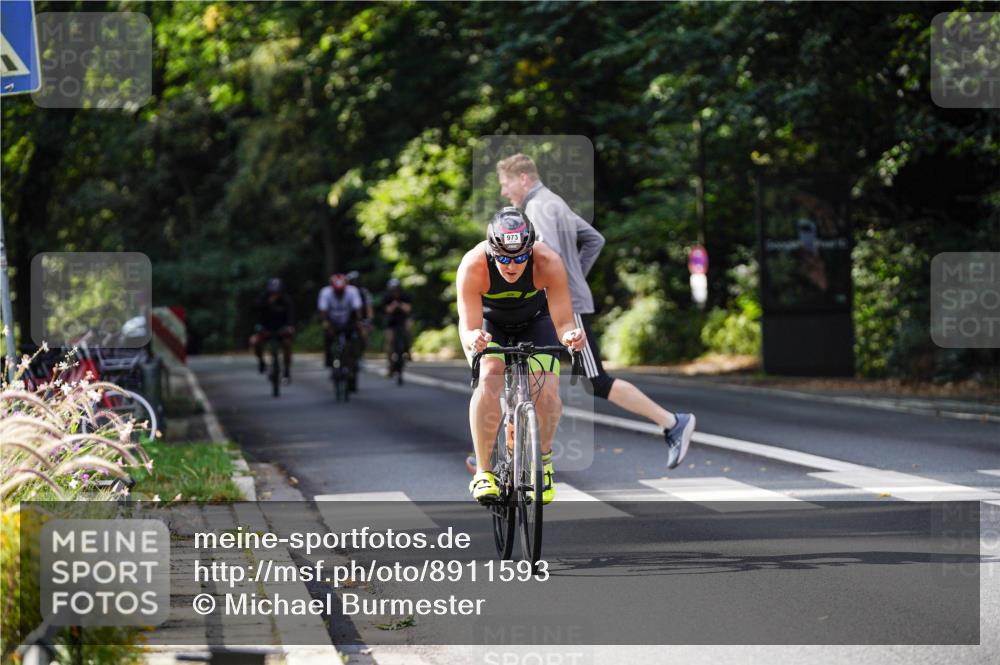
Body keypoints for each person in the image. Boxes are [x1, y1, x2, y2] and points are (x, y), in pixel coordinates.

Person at [496, 153, 696, 468]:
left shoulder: (536, 207)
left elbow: (549, 256)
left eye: (506, 184)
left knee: (594, 380)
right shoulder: (554, 201)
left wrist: (564, 285)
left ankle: (672, 422)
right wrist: (577, 277)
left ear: (523, 179)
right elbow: (594, 239)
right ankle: (505, 449)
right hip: (566, 300)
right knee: (526, 370)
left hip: (565, 307)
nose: (504, 193)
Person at [457, 207, 586, 504]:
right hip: (489, 326)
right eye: (502, 257)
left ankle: (543, 464)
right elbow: (469, 327)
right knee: (490, 376)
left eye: (518, 257)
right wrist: (472, 338)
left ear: (531, 249)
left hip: (536, 321)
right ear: (491, 250)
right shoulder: (473, 265)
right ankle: (484, 473)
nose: (511, 265)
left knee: (547, 387)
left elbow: (564, 321)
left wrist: (570, 336)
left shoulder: (548, 261)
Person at [317, 273, 364, 391]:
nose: (339, 294)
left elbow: (357, 309)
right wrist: (326, 324)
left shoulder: (352, 291)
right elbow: (323, 311)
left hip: (348, 321)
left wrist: (359, 322)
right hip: (332, 321)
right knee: (328, 338)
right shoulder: (325, 293)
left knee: (355, 339)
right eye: (337, 292)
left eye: (341, 291)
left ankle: (355, 362)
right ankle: (330, 362)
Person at [249, 278, 295, 382]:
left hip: (281, 329)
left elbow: (290, 317)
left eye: (277, 292)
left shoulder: (286, 300)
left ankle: (286, 370)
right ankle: (261, 362)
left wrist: (289, 327)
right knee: (255, 342)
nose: (275, 294)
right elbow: (256, 312)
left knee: (287, 344)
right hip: (266, 329)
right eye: (273, 292)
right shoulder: (262, 299)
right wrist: (267, 303)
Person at [382, 277, 412, 374]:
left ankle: (408, 349)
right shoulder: (387, 297)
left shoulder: (405, 296)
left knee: (408, 328)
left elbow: (408, 309)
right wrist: (393, 306)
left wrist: (399, 305)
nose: (395, 292)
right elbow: (387, 310)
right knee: (389, 341)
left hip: (403, 319)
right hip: (391, 321)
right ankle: (390, 364)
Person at [346, 270, 375, 355]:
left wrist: (369, 321)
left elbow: (369, 308)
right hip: (346, 319)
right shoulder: (344, 293)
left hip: (361, 318)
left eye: (356, 281)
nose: (355, 284)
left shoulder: (364, 293)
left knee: (364, 334)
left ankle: (361, 354)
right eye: (352, 282)